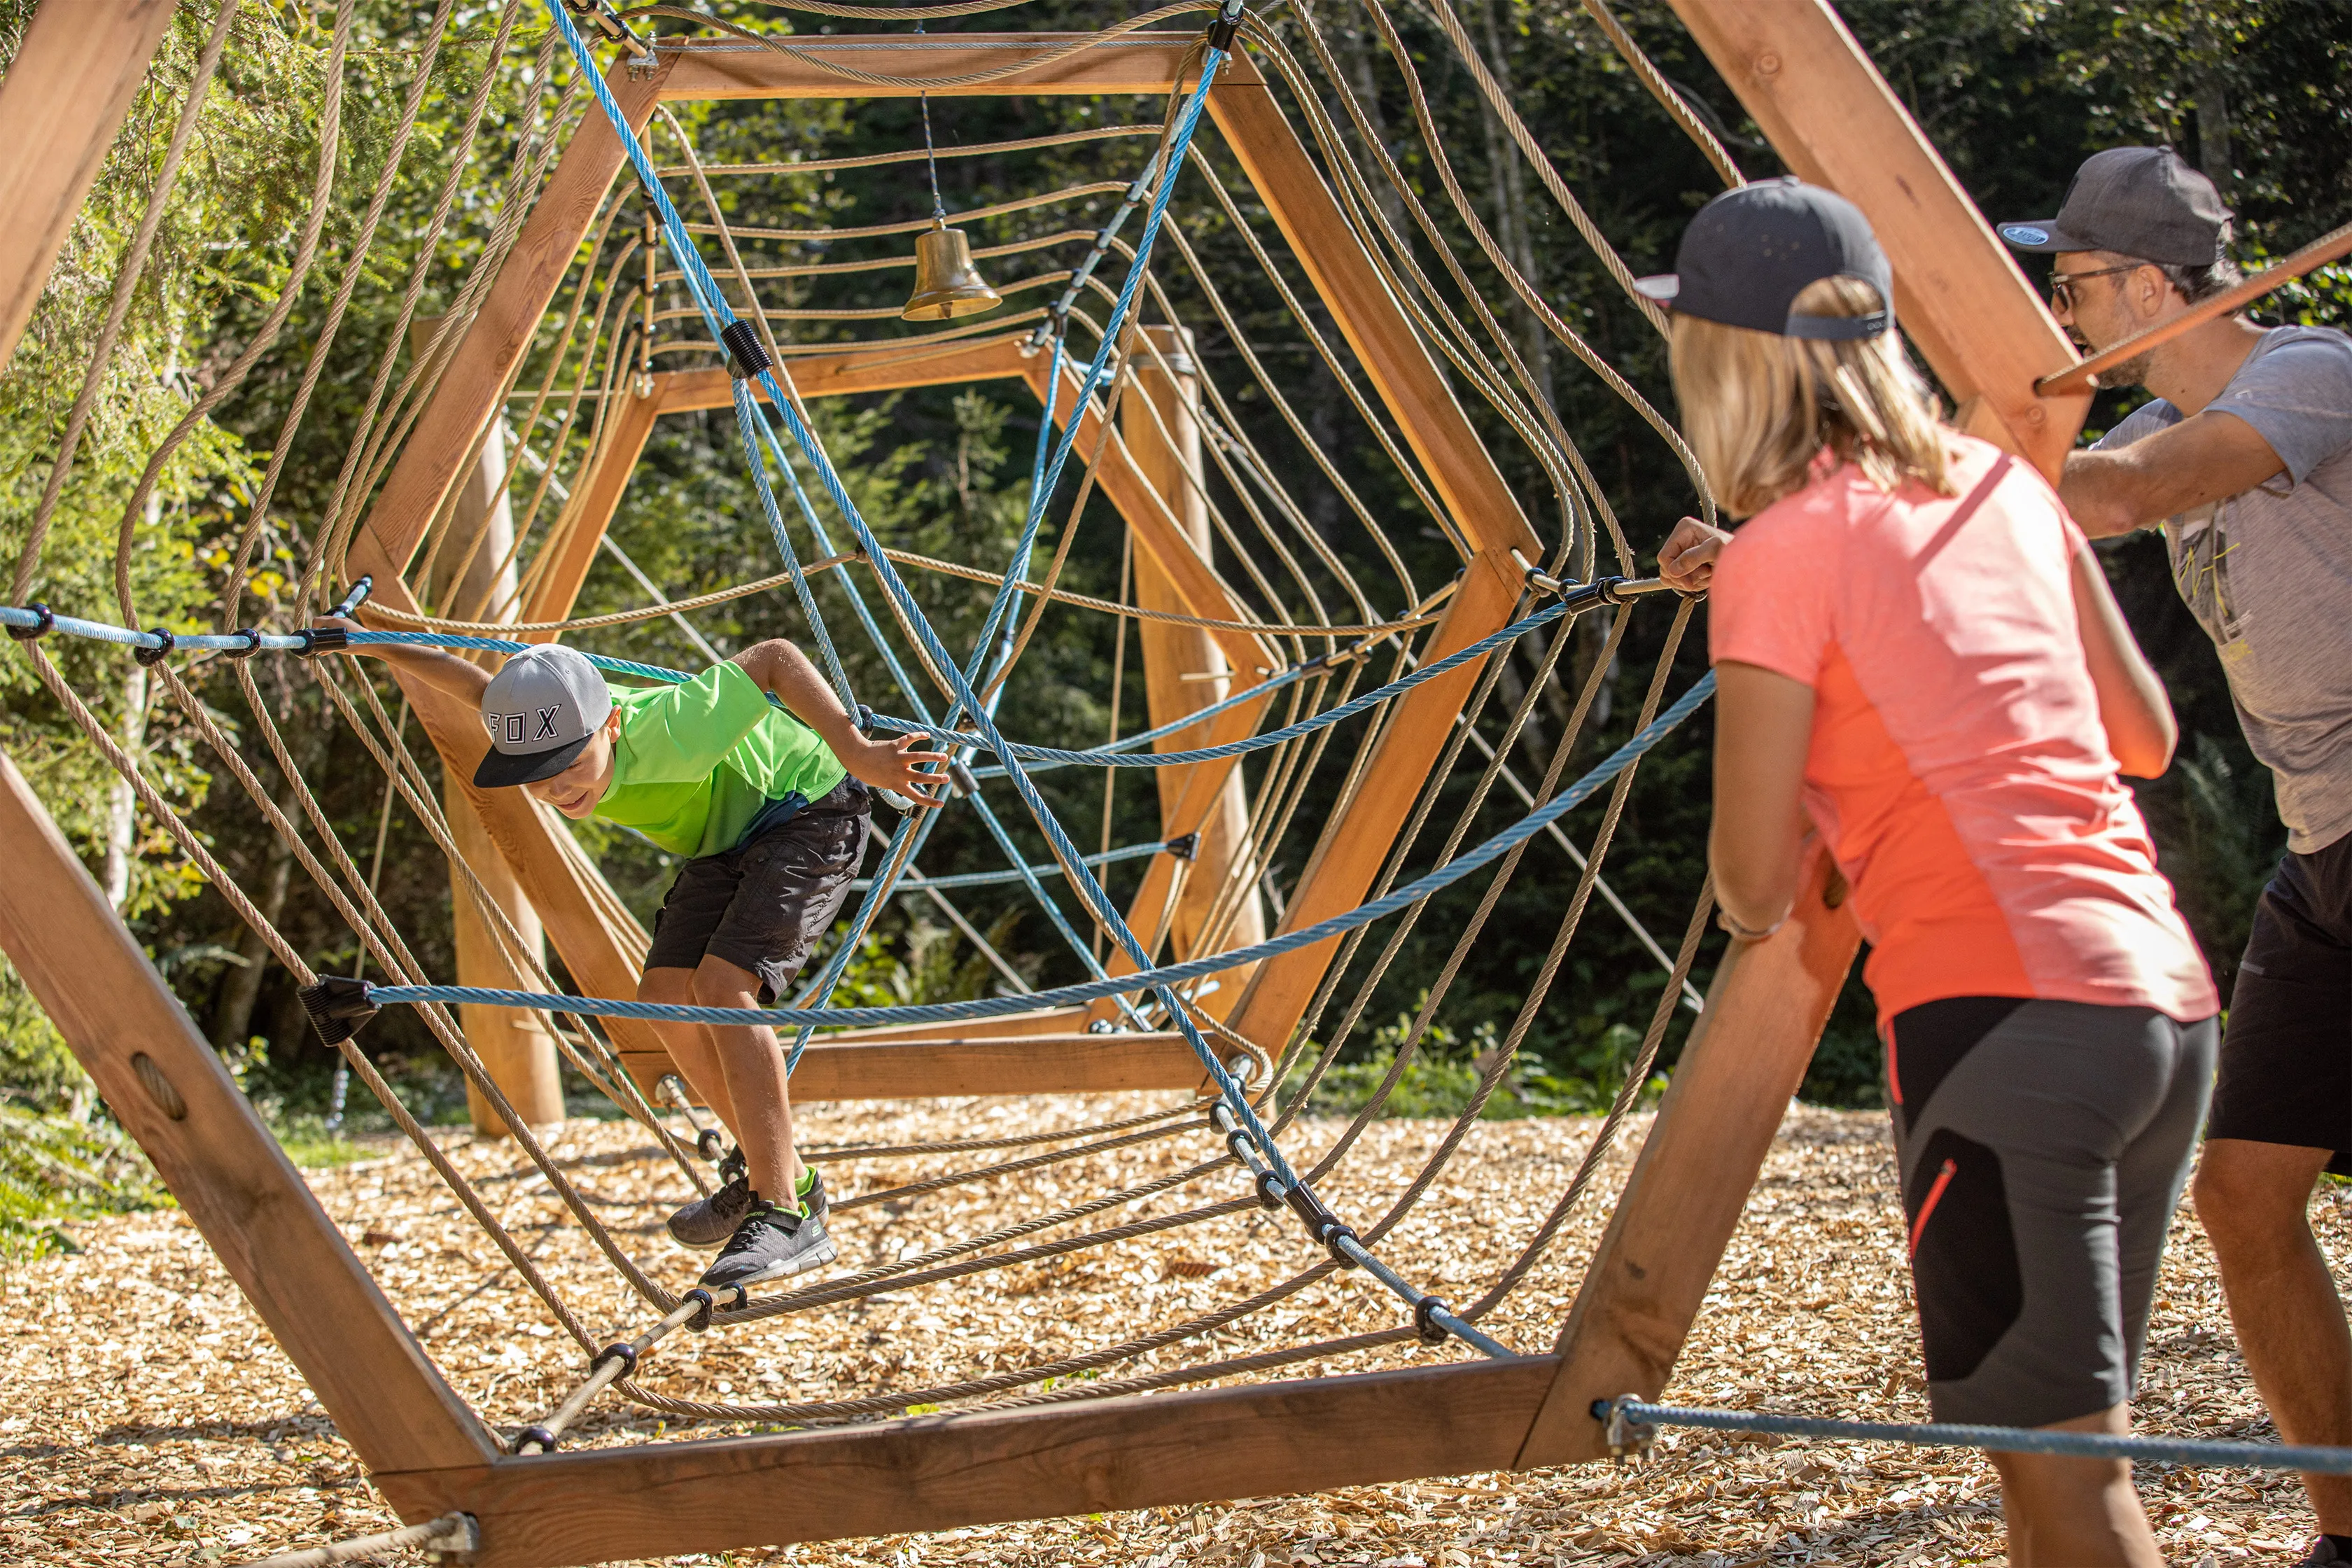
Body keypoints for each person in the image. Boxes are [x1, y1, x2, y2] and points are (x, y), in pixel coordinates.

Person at [1644, 178, 2218, 1567]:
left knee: (2075, 1481)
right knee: (2046, 1454)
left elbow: (1752, 880)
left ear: (1732, 361)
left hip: (2003, 1022)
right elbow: (2143, 735)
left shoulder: (1774, 559)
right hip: (2160, 1006)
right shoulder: (2004, 488)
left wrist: (1793, 851)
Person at [1999, 146, 2352, 1567]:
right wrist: (1776, 534)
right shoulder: (2153, 422)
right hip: (2323, 850)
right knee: (2243, 1194)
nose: (2064, 315)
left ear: (2151, 281)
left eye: (2075, 285)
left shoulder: (2313, 369)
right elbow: (2027, 525)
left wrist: (1980, 455)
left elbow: (2124, 491)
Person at [334, 626, 947, 1289]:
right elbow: (467, 681)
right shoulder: (535, 723)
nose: (558, 789)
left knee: (721, 988)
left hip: (808, 811)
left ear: (614, 727)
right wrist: (361, 642)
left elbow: (773, 659)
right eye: (535, 776)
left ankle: (785, 1215)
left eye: (571, 765)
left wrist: (856, 750)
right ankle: (782, 1174)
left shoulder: (668, 730)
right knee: (659, 995)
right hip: (723, 839)